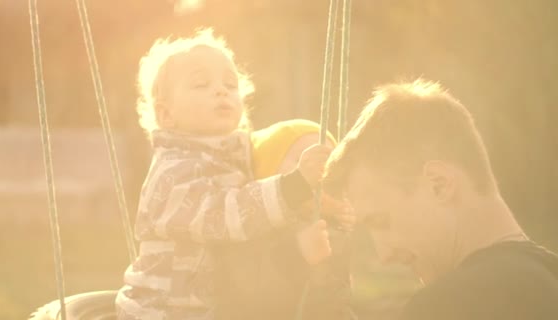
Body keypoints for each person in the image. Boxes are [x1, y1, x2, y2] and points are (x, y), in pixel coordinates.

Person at [115, 28, 333, 320]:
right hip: (163, 311)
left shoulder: (237, 158)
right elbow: (224, 216)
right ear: (166, 115)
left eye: (230, 84)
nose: (221, 90)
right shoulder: (174, 173)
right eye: (201, 84)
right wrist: (291, 187)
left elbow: (257, 230)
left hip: (219, 307)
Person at [323, 79, 558, 320]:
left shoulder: (451, 305)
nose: (384, 255)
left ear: (439, 184)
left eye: (382, 222)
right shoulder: (548, 279)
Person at [215, 119, 355, 320]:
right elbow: (248, 292)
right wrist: (297, 252)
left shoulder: (327, 224)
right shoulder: (253, 225)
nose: (317, 169)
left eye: (326, 162)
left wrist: (340, 226)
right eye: (302, 160)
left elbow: (338, 294)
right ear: (268, 172)